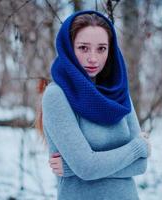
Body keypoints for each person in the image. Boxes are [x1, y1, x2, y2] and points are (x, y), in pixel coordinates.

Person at [35, 10, 151, 200]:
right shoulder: (56, 95)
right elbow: (87, 168)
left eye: (101, 48)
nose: (93, 58)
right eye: (83, 48)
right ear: (69, 48)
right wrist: (137, 148)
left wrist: (74, 168)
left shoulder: (119, 93)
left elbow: (140, 165)